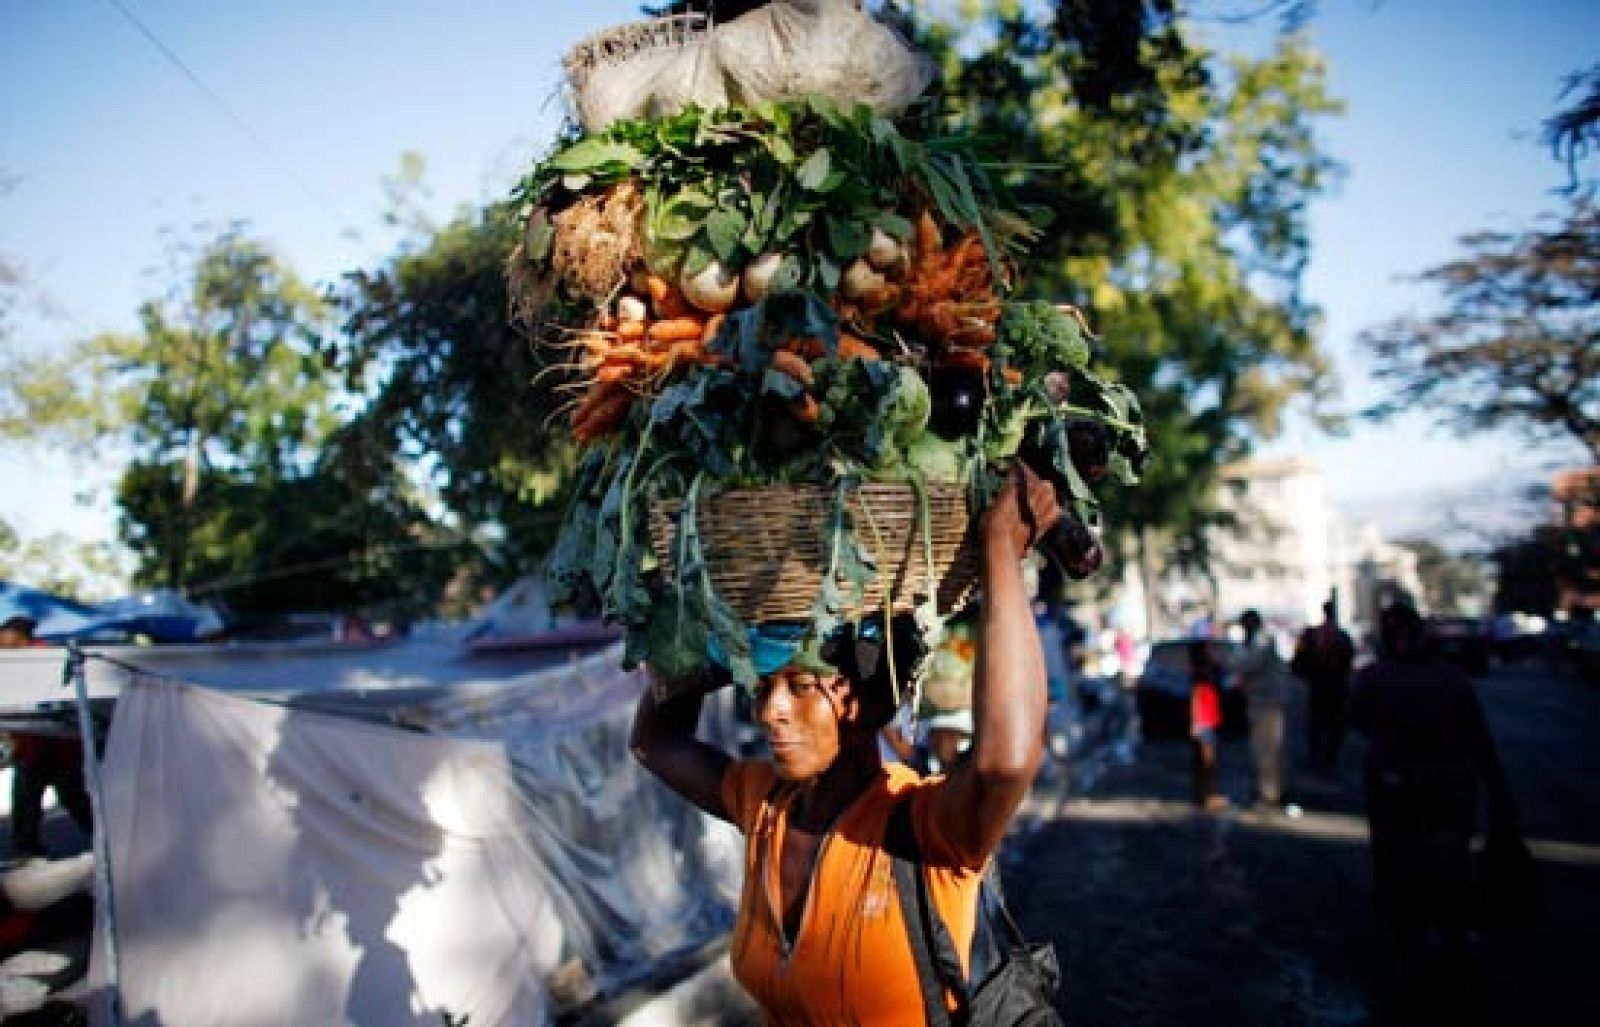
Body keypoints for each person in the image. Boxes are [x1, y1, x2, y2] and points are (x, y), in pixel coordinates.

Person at [631, 466, 1059, 1021]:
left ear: (865, 704)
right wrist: (693, 618)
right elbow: (654, 741)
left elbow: (1003, 764)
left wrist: (999, 550)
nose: (770, 711)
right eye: (763, 688)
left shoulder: (925, 830)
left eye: (801, 686)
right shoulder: (765, 806)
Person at [1350, 602, 1519, 972]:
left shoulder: (1373, 677)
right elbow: (1480, 740)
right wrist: (1498, 793)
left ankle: (1412, 930)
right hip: (1447, 786)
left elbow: (1359, 721)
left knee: (1396, 858)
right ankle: (1449, 928)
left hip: (1396, 785)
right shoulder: (1452, 678)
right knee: (1450, 859)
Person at [1, 616, 94, 861]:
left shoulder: (43, 659)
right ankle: (28, 850)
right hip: (38, 744)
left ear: (19, 636)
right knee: (30, 801)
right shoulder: (26, 658)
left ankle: (29, 850)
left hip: (53, 743)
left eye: (4, 636)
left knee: (68, 799)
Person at [1231, 609, 1289, 811]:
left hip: (1268, 702)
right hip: (1256, 702)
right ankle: (1263, 789)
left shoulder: (1263, 642)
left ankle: (1270, 793)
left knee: (1269, 750)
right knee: (1259, 750)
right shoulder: (1253, 643)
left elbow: (1245, 665)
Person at [1292, 600, 1355, 772]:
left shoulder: (1319, 635)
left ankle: (1320, 756)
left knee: (1321, 723)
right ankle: (1325, 757)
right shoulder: (1338, 636)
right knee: (1329, 724)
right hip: (1331, 686)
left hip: (1323, 685)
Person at [1188, 638, 1227, 812]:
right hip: (1204, 721)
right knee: (1207, 763)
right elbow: (1196, 698)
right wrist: (1196, 722)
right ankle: (1208, 795)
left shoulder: (1208, 670)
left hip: (1208, 719)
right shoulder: (1201, 673)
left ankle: (1206, 795)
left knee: (1207, 762)